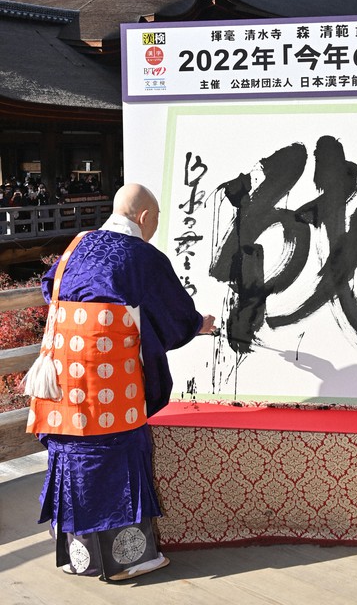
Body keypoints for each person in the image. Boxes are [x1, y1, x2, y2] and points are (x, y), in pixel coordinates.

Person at [25, 183, 216, 582]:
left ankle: (80, 557)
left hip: (62, 378)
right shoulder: (140, 256)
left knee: (73, 455)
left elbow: (49, 287)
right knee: (116, 457)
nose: (155, 226)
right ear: (144, 217)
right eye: (156, 219)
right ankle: (128, 560)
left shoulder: (79, 243)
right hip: (108, 382)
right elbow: (173, 313)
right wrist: (198, 324)